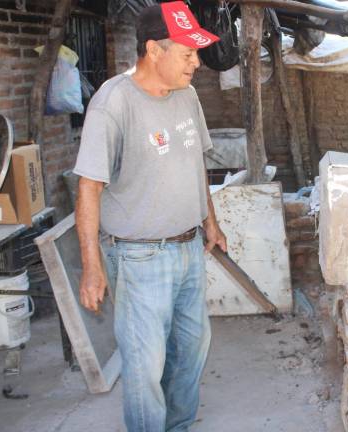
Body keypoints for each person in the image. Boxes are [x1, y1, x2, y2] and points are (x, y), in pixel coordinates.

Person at [72, 2, 226, 430]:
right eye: (187, 52)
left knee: (192, 348)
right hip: (140, 258)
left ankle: (176, 425)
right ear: (153, 50)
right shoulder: (112, 104)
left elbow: (196, 164)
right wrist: (92, 267)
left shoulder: (187, 95)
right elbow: (88, 186)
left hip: (189, 246)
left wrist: (210, 221)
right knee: (145, 365)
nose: (196, 62)